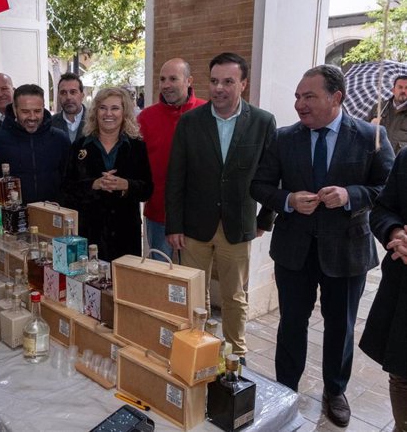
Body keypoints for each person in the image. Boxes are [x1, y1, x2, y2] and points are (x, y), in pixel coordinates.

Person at [250, 65, 394, 428]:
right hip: (293, 250)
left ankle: (335, 390)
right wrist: (288, 200)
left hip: (346, 251)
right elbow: (259, 185)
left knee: (341, 326)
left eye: (308, 96)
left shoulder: (370, 136)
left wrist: (351, 195)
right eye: (297, 96)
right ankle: (285, 390)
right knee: (291, 323)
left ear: (336, 98)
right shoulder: (284, 138)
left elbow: (388, 190)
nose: (299, 103)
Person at [165, 52, 276, 363]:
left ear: (243, 84)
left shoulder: (263, 122)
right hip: (194, 227)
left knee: (234, 296)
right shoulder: (189, 122)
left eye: (228, 81)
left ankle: (235, 353)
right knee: (195, 294)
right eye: (214, 81)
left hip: (238, 225)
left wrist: (265, 219)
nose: (219, 88)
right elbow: (176, 176)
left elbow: (272, 175)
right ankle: (198, 348)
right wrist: (174, 225)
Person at [62, 87, 153, 261]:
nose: (108, 113)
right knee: (90, 285)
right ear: (95, 112)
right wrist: (93, 185)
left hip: (125, 234)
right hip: (89, 234)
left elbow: (148, 189)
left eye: (115, 108)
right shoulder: (79, 146)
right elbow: (66, 190)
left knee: (124, 285)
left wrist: (126, 185)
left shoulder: (137, 147)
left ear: (124, 112)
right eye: (103, 108)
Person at [137, 58, 206, 262]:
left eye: (173, 79)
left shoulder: (207, 113)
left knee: (195, 278)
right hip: (159, 215)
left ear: (189, 80)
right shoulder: (145, 118)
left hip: (198, 217)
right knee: (160, 276)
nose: (166, 85)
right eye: (162, 79)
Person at [361, 149, 407, 432]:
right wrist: (395, 233)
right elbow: (382, 208)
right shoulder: (405, 159)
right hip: (403, 288)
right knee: (401, 372)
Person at [0, 84, 70, 204]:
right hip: (10, 217)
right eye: (25, 111)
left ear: (43, 108)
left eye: (37, 111)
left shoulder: (60, 139)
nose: (32, 117)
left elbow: (69, 181)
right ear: (15, 109)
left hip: (52, 215)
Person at [370, 75, 407, 154]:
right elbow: (362, 134)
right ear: (393, 90)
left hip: (399, 162)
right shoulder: (379, 108)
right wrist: (370, 126)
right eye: (400, 87)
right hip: (377, 159)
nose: (403, 91)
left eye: (406, 88)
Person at [51, 72, 86, 143]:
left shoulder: (96, 121)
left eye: (73, 92)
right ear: (58, 96)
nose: (68, 97)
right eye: (63, 93)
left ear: (82, 95)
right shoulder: (50, 124)